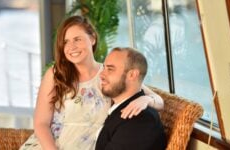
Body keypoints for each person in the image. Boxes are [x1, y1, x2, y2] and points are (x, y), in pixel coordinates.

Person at [20, 15, 164, 150]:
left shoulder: (108, 75)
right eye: (65, 42)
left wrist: (145, 99)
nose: (71, 47)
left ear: (93, 39)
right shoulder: (56, 74)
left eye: (77, 39)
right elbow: (41, 124)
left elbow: (158, 101)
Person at [95, 47, 166, 150]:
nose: (101, 75)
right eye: (104, 68)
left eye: (110, 69)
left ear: (132, 75)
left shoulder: (140, 121)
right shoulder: (121, 108)